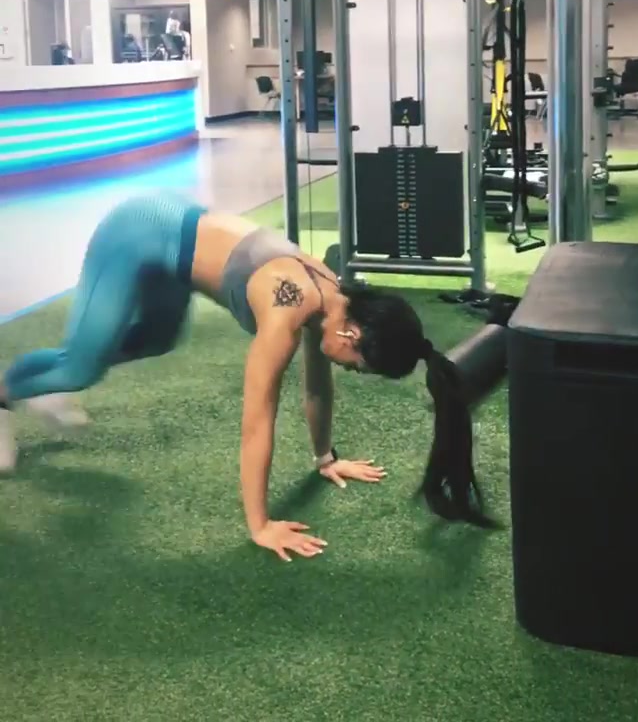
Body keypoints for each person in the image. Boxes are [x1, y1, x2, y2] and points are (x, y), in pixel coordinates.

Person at [0, 195, 492, 559]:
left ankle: (49, 384)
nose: (348, 370)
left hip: (174, 248)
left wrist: (326, 458)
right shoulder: (287, 311)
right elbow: (257, 422)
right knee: (81, 367)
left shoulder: (332, 302)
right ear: (352, 334)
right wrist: (261, 525)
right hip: (137, 230)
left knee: (155, 340)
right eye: (356, 365)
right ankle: (8, 393)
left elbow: (317, 388)